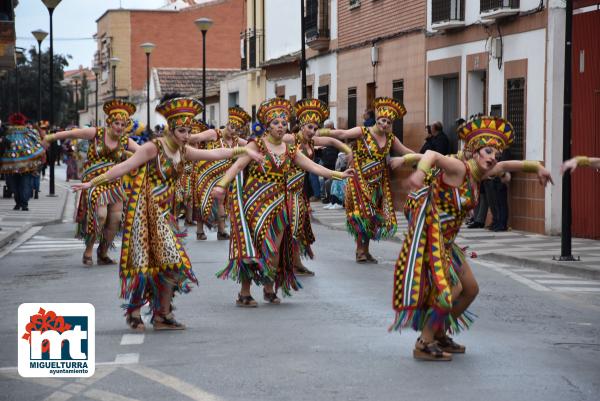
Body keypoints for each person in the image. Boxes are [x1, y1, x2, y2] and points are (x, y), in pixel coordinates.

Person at [72, 96, 263, 330]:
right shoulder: (154, 147)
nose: (186, 135)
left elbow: (216, 154)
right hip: (144, 213)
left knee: (171, 265)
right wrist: (91, 183)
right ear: (171, 129)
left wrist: (246, 150)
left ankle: (162, 315)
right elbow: (124, 167)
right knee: (146, 266)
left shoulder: (184, 151)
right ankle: (135, 312)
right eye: (182, 131)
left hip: (166, 215)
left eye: (188, 131)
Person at [390, 116, 553, 361]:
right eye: (488, 152)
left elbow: (511, 165)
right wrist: (419, 175)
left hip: (448, 244)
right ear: (475, 152)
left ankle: (439, 333)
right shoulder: (459, 169)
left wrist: (538, 167)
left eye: (495, 154)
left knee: (470, 290)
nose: (493, 158)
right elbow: (432, 154)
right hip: (430, 239)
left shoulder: (480, 175)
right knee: (450, 291)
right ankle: (424, 342)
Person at [212, 98, 353, 306]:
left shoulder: (290, 150)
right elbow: (238, 166)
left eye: (283, 123)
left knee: (274, 249)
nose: (280, 126)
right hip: (254, 204)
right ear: (268, 125)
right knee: (252, 248)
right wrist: (222, 185)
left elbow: (314, 168)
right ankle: (244, 292)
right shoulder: (256, 145)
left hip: (278, 206)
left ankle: (269, 289)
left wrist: (339, 175)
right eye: (276, 123)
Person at [316, 97, 414, 263]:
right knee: (363, 215)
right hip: (360, 181)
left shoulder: (391, 139)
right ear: (377, 119)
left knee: (373, 217)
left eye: (389, 122)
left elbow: (405, 152)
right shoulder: (363, 132)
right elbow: (342, 134)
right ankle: (360, 251)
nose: (385, 124)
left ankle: (365, 250)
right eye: (383, 120)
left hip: (379, 184)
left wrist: (425, 160)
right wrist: (321, 132)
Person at [44, 100, 141, 266]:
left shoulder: (125, 141)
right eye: (116, 123)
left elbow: (144, 152)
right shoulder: (96, 133)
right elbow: (73, 134)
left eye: (123, 124)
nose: (119, 127)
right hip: (93, 182)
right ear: (109, 122)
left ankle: (102, 252)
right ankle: (88, 249)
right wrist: (50, 137)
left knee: (116, 219)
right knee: (100, 216)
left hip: (113, 183)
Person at [283, 98, 352, 276]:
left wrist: (349, 151)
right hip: (284, 190)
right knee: (289, 227)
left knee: (297, 227)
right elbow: (268, 139)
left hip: (299, 191)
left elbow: (333, 140)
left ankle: (295, 263)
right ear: (301, 125)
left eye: (315, 128)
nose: (313, 132)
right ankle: (285, 264)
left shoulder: (312, 141)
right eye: (309, 128)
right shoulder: (291, 139)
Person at [190, 106, 251, 240]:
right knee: (203, 201)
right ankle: (200, 231)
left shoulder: (236, 140)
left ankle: (221, 230)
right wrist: (182, 135)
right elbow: (195, 138)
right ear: (228, 123)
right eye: (231, 127)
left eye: (236, 129)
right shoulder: (214, 133)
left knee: (221, 202)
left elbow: (252, 145)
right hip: (205, 175)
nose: (232, 131)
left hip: (223, 177)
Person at [0, 113, 45, 211]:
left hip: (11, 164)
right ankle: (24, 204)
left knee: (14, 185)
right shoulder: (28, 131)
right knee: (25, 184)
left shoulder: (7, 132)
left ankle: (18, 203)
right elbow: (38, 142)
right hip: (27, 164)